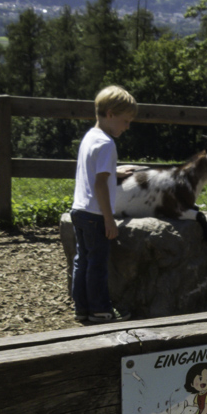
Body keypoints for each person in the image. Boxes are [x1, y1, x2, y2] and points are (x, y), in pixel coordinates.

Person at [71, 85, 137, 323]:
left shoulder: (90, 136)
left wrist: (113, 171)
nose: (127, 127)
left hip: (78, 210)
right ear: (110, 114)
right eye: (126, 121)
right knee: (98, 265)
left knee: (82, 261)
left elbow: (93, 171)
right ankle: (100, 310)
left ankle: (82, 308)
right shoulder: (108, 144)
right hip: (96, 215)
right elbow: (100, 184)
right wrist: (109, 219)